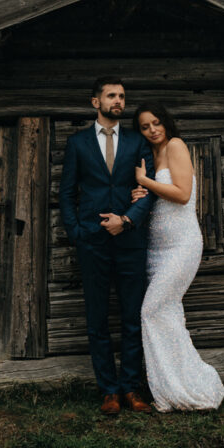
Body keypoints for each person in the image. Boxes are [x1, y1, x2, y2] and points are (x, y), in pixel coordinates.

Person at [59, 77, 157, 415]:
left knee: (132, 316)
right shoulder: (78, 144)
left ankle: (131, 389)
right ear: (95, 102)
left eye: (122, 96)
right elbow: (67, 193)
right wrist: (77, 232)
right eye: (111, 95)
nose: (118, 101)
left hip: (130, 240)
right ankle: (109, 392)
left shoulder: (136, 142)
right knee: (97, 318)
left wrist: (127, 220)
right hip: (92, 242)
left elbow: (149, 188)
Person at [131, 101, 224, 412]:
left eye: (155, 122)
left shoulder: (176, 145)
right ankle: (174, 390)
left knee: (150, 311)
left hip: (182, 245)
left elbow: (183, 194)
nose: (152, 130)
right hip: (155, 248)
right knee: (168, 314)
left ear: (165, 122)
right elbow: (158, 198)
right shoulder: (149, 155)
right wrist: (140, 194)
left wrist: (145, 182)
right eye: (145, 126)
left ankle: (189, 386)